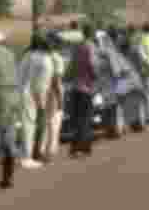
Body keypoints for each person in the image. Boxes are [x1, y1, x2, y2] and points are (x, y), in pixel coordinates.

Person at [15, 34, 53, 169]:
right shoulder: (44, 59)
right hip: (30, 95)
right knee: (29, 127)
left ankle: (23, 155)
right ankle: (26, 158)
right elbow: (41, 85)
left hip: (20, 92)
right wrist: (41, 101)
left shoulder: (27, 55)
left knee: (25, 126)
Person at [69, 26, 99, 158]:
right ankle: (84, 147)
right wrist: (95, 76)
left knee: (77, 118)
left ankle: (75, 148)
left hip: (75, 87)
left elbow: (71, 66)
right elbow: (92, 64)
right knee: (86, 118)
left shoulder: (77, 47)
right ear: (91, 34)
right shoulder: (90, 47)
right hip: (86, 88)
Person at [38, 35, 65, 163]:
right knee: (54, 123)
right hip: (53, 92)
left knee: (45, 122)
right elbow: (56, 80)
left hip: (42, 91)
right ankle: (49, 153)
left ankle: (42, 150)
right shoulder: (57, 58)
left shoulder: (41, 57)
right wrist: (60, 98)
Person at [0, 32, 19, 188]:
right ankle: (8, 178)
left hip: (1, 99)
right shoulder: (10, 55)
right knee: (9, 141)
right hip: (12, 100)